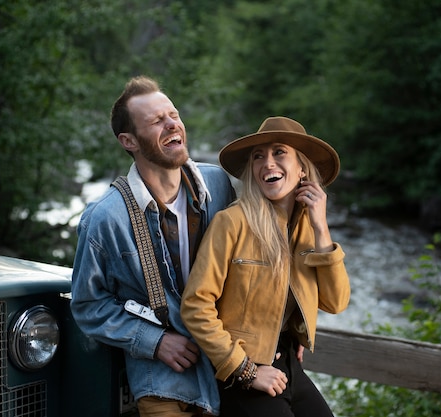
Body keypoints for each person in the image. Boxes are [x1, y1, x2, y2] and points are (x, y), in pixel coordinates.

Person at [70, 75, 236, 417]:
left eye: (173, 115)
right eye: (156, 121)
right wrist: (154, 342)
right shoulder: (105, 218)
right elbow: (88, 305)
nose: (172, 124)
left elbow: (248, 263)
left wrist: (287, 327)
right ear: (129, 140)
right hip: (163, 380)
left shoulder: (218, 184)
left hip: (227, 362)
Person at [181, 116, 350, 417]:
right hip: (242, 373)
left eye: (279, 152)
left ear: (301, 169)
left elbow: (335, 302)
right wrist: (246, 370)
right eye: (258, 156)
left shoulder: (308, 229)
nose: (267, 163)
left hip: (288, 365)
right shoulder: (231, 223)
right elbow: (196, 306)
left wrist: (322, 227)